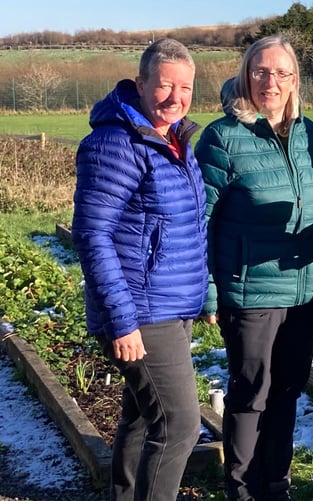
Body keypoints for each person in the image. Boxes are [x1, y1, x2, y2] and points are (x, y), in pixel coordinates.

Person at [194, 35, 313, 501]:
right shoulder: (222, 137)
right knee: (252, 391)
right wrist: (210, 291)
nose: (269, 82)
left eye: (280, 73)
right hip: (250, 290)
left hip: (303, 289)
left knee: (288, 390)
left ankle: (276, 482)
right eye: (260, 72)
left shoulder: (308, 134)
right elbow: (201, 220)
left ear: (295, 80)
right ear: (245, 76)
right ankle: (241, 487)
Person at [71, 38, 207, 501]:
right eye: (165, 85)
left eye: (185, 87)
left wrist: (201, 293)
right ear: (141, 83)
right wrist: (123, 323)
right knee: (180, 427)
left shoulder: (173, 139)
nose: (175, 97)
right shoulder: (117, 141)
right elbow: (92, 235)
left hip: (170, 304)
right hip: (142, 312)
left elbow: (189, 226)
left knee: (140, 417)